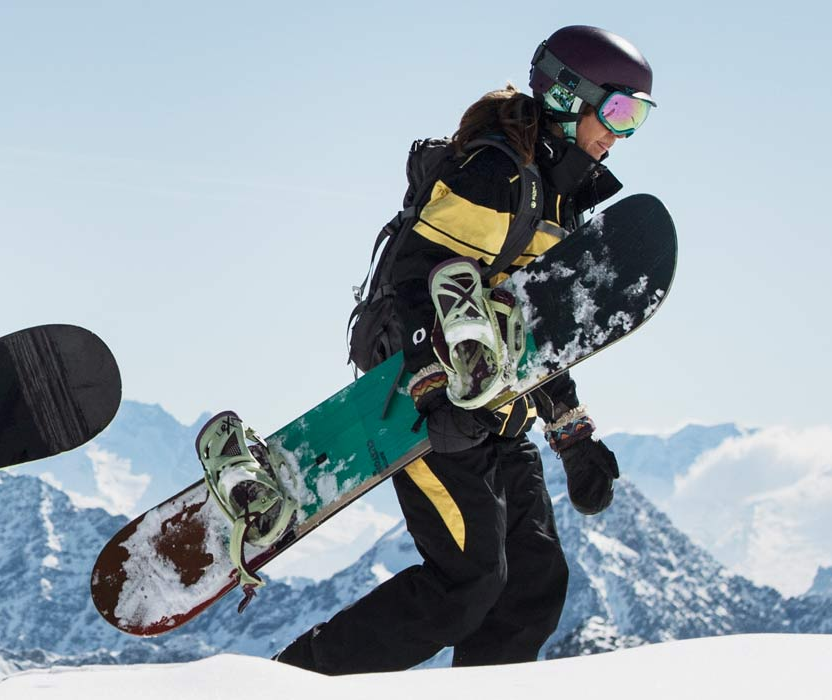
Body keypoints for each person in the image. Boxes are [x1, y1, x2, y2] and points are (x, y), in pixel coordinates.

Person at [275, 25, 652, 674]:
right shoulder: (494, 171)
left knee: (532, 590)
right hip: (422, 403)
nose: (623, 131)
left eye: (639, 115)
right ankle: (289, 683)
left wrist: (573, 434)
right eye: (618, 108)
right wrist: (428, 388)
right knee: (468, 583)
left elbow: (539, 332)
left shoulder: (564, 198)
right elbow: (411, 278)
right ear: (570, 95)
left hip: (494, 409)